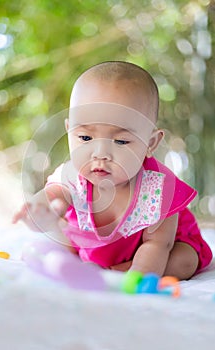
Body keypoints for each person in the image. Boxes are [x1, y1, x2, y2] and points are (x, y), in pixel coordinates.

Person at [13, 61, 212, 280]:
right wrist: (39, 211)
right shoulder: (71, 176)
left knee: (184, 261)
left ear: (150, 143)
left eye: (121, 141)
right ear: (69, 131)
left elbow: (157, 245)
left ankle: (121, 269)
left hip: (160, 248)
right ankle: (79, 262)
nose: (100, 153)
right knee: (62, 236)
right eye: (86, 138)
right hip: (97, 247)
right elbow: (51, 197)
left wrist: (133, 280)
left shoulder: (158, 191)